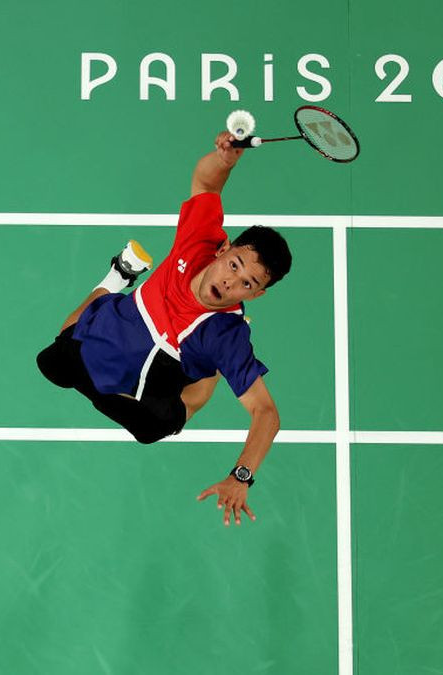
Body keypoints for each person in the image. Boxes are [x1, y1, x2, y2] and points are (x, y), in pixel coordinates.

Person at [36, 131, 292, 526]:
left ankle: (204, 379)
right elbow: (206, 182)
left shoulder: (227, 335)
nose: (231, 282)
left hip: (168, 369)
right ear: (223, 250)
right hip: (123, 321)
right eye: (235, 265)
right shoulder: (199, 240)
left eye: (248, 284)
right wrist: (223, 161)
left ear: (255, 296)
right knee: (52, 364)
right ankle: (118, 275)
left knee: (151, 428)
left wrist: (242, 476)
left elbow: (266, 413)